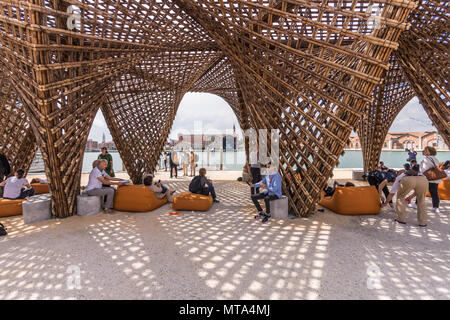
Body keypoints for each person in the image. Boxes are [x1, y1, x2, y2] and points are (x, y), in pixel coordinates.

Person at [420, 146, 442, 213]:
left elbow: (423, 170)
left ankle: (416, 204)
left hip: (428, 178)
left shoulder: (427, 159)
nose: (424, 151)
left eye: (425, 150)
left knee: (420, 191)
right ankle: (436, 207)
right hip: (435, 178)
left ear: (429, 152)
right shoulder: (435, 159)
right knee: (434, 193)